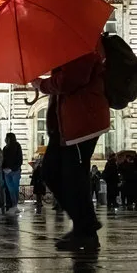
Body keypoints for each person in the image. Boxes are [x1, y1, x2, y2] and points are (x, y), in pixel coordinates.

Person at [32, 47, 109, 251]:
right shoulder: (67, 47)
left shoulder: (81, 45)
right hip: (68, 123)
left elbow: (70, 80)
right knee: (54, 172)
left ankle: (85, 229)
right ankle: (85, 227)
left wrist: (42, 83)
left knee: (71, 175)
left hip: (82, 122)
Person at [2, 133, 23, 215]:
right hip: (8, 171)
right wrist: (4, 168)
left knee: (14, 189)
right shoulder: (5, 148)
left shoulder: (17, 146)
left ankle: (14, 206)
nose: (5, 139)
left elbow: (19, 160)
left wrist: (10, 168)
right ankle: (14, 206)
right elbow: (3, 160)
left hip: (14, 171)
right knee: (11, 190)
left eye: (6, 138)